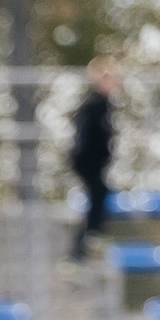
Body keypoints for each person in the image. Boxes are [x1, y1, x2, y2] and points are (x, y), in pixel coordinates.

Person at [68, 59, 119, 261]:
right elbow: (84, 133)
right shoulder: (93, 105)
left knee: (100, 194)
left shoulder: (106, 105)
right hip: (86, 160)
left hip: (96, 163)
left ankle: (90, 238)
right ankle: (88, 240)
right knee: (98, 192)